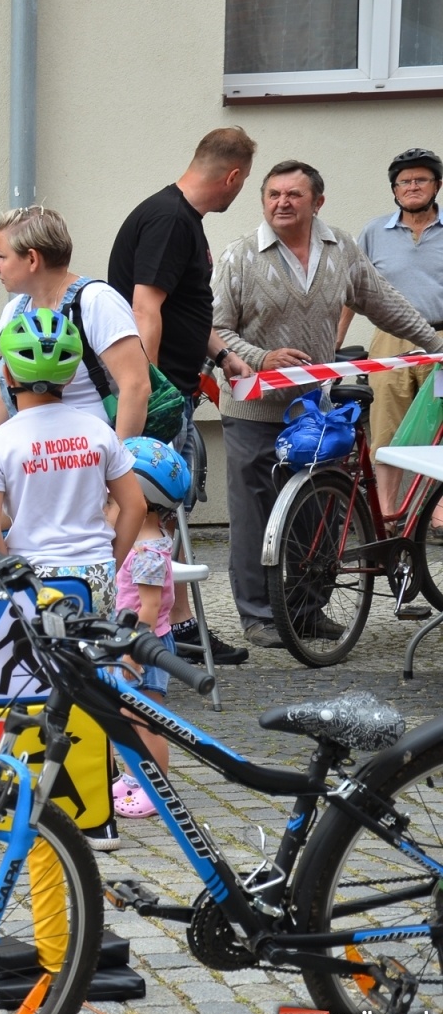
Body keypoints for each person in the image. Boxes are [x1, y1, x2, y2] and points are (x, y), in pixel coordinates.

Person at [213, 160, 441, 648]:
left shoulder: (340, 249)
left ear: (317, 202)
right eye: (273, 194)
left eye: (294, 194)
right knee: (255, 515)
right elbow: (216, 332)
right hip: (254, 412)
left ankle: (310, 609)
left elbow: (383, 301)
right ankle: (259, 617)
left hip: (315, 411)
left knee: (320, 513)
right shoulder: (240, 257)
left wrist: (431, 345)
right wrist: (263, 357)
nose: (282, 202)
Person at [0, 309, 144, 849]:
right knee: (94, 691)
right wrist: (108, 563)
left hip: (33, 581)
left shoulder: (0, 442)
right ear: (72, 374)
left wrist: (13, 569)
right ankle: (98, 814)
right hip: (92, 574)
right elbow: (133, 506)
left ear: (9, 373)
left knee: (31, 690)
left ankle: (19, 805)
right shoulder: (97, 430)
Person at [109, 126, 257, 667]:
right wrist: (145, 389)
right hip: (160, 395)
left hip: (173, 384)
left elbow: (185, 304)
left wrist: (221, 354)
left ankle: (174, 622)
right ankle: (154, 625)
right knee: (154, 512)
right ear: (233, 176)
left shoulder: (179, 219)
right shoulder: (172, 221)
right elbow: (146, 307)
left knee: (164, 513)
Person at [0, 206, 150, 439]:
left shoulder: (96, 301)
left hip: (92, 460)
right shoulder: (13, 312)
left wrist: (117, 465)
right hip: (33, 461)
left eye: (2, 256)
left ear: (32, 258)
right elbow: (3, 396)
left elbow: (136, 386)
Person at [339, 148, 443, 519]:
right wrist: (332, 343)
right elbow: (350, 291)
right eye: (405, 181)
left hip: (441, 342)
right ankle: (388, 512)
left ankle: (439, 512)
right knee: (386, 428)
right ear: (394, 190)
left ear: (437, 185)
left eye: (421, 179)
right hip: (390, 344)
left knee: (440, 425)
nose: (412, 186)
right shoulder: (373, 232)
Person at [109, 438, 191, 820]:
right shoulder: (142, 542)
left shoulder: (146, 553)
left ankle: (156, 787)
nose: (108, 509)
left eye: (113, 501)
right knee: (128, 716)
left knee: (148, 720)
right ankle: (132, 776)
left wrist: (131, 651)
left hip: (146, 647)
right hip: (132, 643)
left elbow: (151, 606)